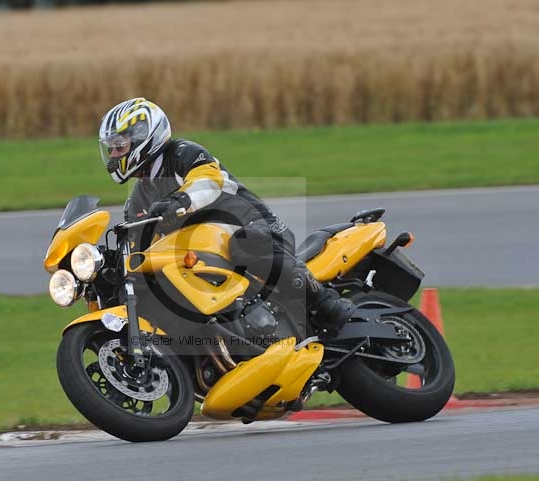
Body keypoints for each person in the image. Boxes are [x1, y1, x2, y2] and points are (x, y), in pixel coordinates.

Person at [98, 97, 354, 334]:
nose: (113, 155)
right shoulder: (138, 199)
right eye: (110, 149)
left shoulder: (182, 154)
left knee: (244, 245)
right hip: (207, 253)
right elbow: (139, 247)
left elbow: (208, 182)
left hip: (253, 225)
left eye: (119, 146)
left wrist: (178, 202)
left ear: (145, 138)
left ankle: (324, 301)